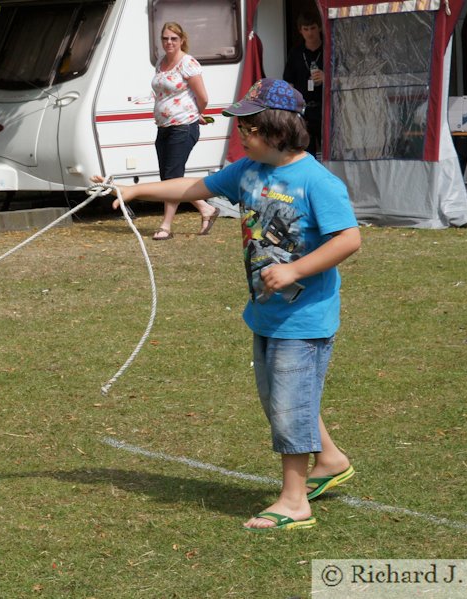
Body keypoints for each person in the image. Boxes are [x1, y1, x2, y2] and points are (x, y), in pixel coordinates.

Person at [94, 78, 361, 530]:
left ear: (277, 131)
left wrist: (296, 270)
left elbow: (350, 239)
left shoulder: (318, 181)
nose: (241, 135)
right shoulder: (247, 171)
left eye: (248, 128)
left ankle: (295, 502)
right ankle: (330, 459)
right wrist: (134, 192)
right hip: (266, 312)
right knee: (282, 397)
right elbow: (194, 187)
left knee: (290, 403)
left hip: (304, 317)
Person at [150, 22, 220, 240]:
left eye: (173, 38)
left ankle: (166, 226)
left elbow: (203, 97)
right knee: (169, 177)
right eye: (165, 38)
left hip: (183, 126)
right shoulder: (161, 63)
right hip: (163, 127)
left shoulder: (187, 63)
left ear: (181, 40)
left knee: (171, 178)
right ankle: (205, 208)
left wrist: (195, 113)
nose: (168, 42)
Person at [282, 12, 324, 157]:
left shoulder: (329, 49)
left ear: (319, 28)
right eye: (305, 29)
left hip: (325, 109)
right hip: (304, 110)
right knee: (306, 153)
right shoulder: (295, 53)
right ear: (300, 31)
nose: (309, 33)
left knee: (329, 152)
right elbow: (289, 82)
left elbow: (343, 76)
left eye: (312, 28)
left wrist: (326, 78)